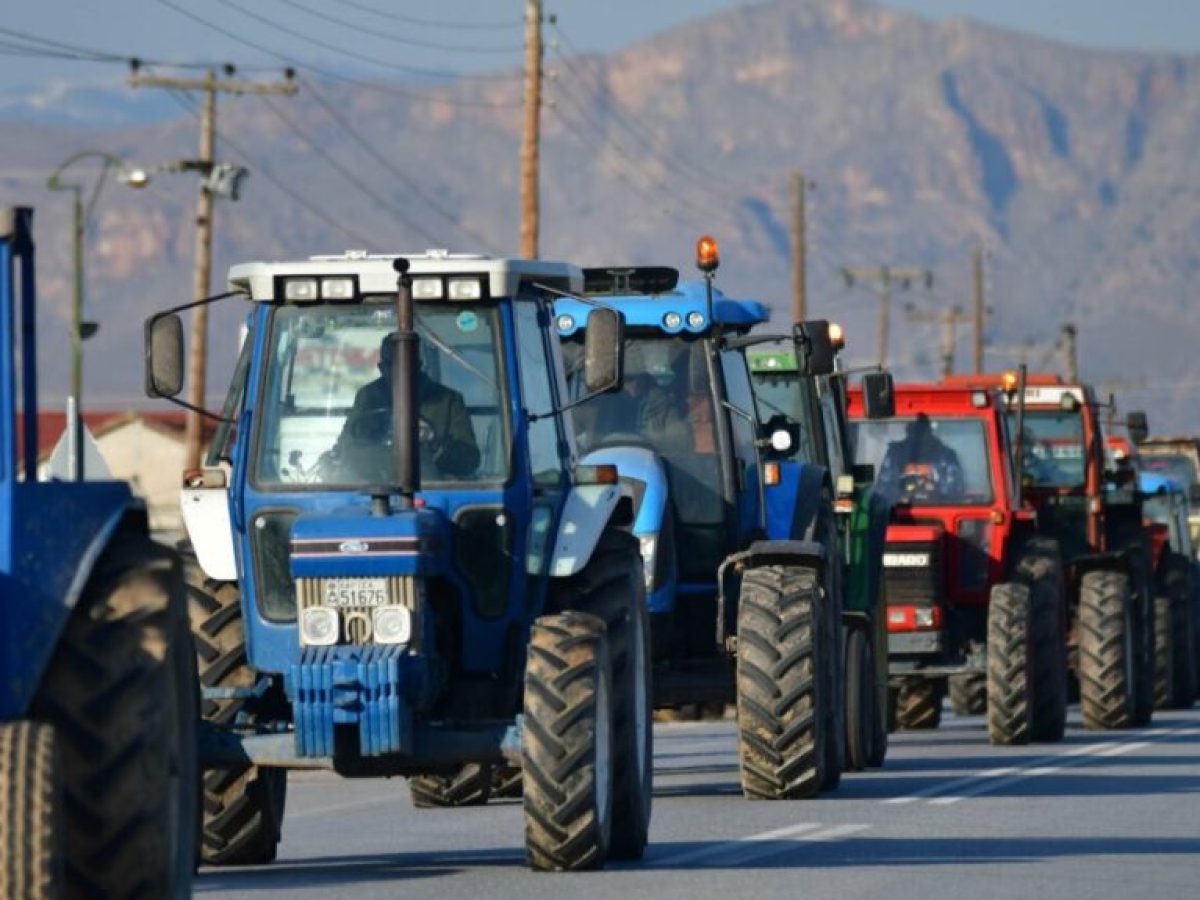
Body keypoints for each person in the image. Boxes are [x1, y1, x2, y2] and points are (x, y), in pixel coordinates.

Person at [333, 332, 481, 479]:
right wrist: (367, 432)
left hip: (431, 486)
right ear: (382, 367)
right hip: (373, 486)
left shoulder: (448, 400)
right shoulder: (368, 396)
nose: (401, 373)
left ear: (419, 365)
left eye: (407, 365)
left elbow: (470, 460)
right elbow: (345, 448)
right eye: (394, 365)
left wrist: (433, 441)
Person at [877, 413, 964, 501]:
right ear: (908, 430)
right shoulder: (895, 453)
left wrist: (933, 472)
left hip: (937, 510)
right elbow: (882, 491)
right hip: (901, 510)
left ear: (929, 431)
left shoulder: (946, 456)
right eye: (914, 430)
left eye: (922, 431)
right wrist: (904, 476)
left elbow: (955, 493)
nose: (918, 437)